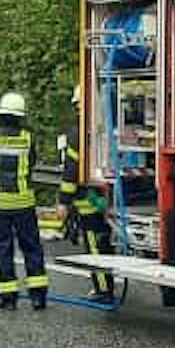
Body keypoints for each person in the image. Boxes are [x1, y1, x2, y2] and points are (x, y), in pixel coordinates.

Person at [0, 91, 48, 310]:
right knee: (31, 247)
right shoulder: (28, 138)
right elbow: (33, 163)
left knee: (2, 250)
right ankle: (38, 296)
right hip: (23, 202)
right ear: (21, 116)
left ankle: (8, 298)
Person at [57, 110, 116, 305]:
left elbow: (71, 171)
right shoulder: (103, 128)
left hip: (88, 202)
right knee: (104, 245)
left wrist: (64, 201)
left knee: (95, 249)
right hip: (103, 199)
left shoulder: (78, 134)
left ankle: (104, 291)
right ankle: (105, 286)